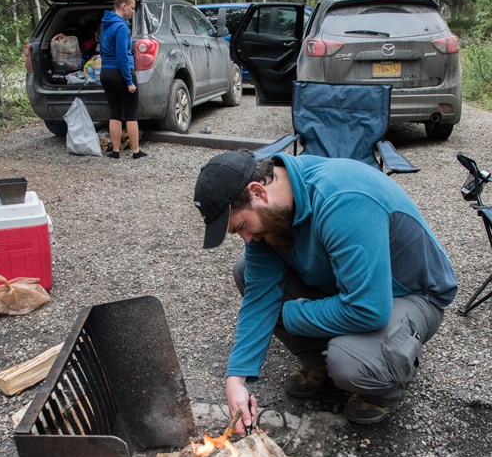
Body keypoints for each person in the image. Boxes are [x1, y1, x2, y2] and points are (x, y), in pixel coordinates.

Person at [193, 150, 457, 432]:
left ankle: (383, 387)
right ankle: (316, 360)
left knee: (350, 362)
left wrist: (294, 314)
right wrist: (236, 378)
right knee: (245, 270)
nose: (246, 237)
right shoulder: (273, 212)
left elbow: (368, 309)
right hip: (347, 286)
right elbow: (260, 294)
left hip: (409, 293)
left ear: (258, 191)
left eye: (242, 226)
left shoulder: (342, 200)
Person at [99, 0, 146, 160]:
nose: (133, 12)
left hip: (106, 73)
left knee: (114, 113)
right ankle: (135, 151)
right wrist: (129, 81)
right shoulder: (121, 27)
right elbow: (122, 57)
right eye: (132, 8)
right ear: (123, 5)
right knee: (131, 114)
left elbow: (103, 51)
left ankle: (116, 151)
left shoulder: (105, 24)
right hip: (120, 74)